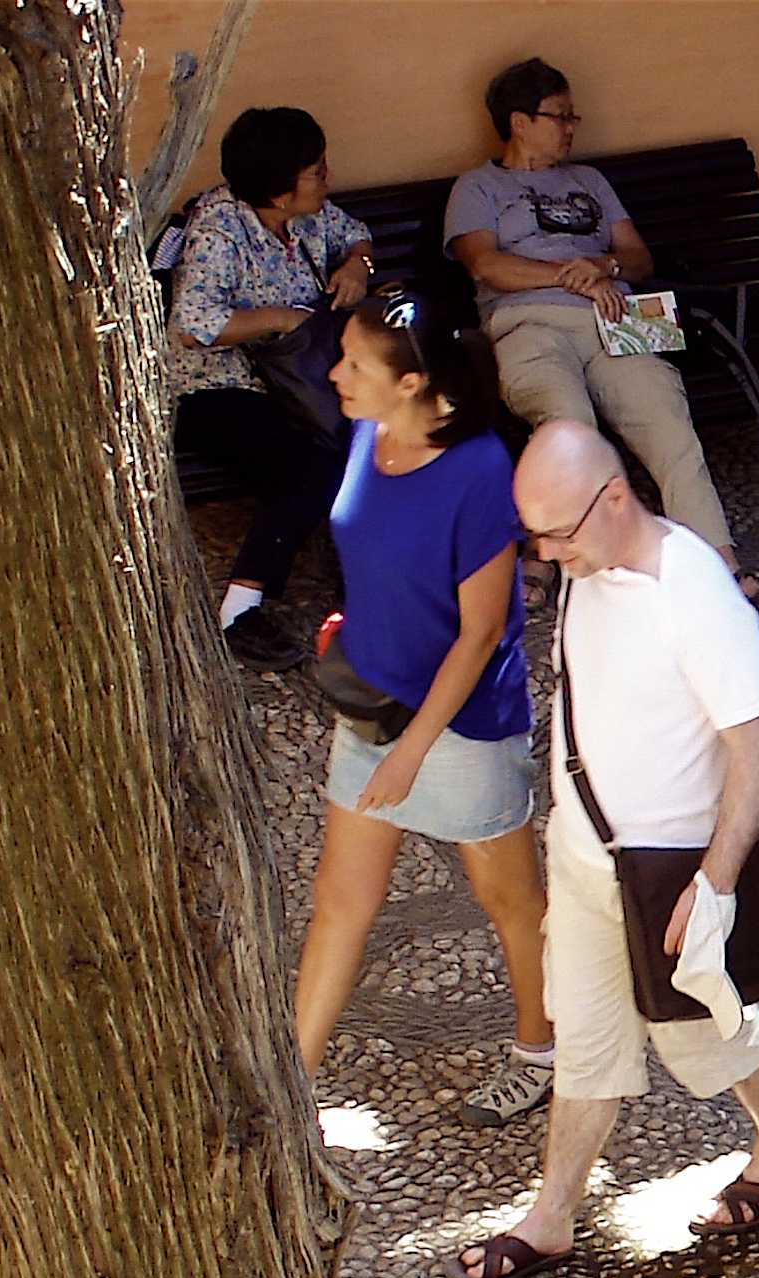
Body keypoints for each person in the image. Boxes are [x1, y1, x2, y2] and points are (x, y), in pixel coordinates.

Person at [447, 421, 759, 1278]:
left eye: (558, 533)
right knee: (584, 1036)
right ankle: (551, 1218)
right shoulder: (589, 567)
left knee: (707, 1035)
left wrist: (714, 886)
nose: (547, 556)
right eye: (534, 536)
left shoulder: (693, 591)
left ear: (614, 497)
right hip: (587, 858)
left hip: (668, 874)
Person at [293, 287, 557, 1127]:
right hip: (372, 707)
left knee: (510, 901)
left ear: (411, 383)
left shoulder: (477, 471)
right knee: (340, 900)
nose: (336, 374)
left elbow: (480, 634)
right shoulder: (368, 430)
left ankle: (540, 1052)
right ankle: (290, 1090)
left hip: (462, 727)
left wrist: (411, 754)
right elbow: (374, 552)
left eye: (354, 363)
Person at [446, 58, 759, 602]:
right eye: (560, 116)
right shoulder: (478, 187)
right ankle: (549, 549)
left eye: (572, 116)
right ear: (519, 121)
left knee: (667, 420)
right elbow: (484, 264)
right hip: (529, 324)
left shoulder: (589, 181)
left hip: (617, 322)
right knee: (568, 421)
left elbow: (637, 256)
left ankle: (719, 564)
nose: (571, 127)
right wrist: (573, 279)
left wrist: (605, 267)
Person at [168, 106, 375, 670]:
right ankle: (238, 612)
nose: (328, 177)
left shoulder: (309, 217)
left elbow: (355, 235)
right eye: (316, 170)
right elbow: (192, 325)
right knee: (307, 469)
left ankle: (370, 577)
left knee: (370, 436)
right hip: (218, 386)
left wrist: (356, 266)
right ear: (280, 191)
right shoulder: (219, 229)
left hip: (298, 381)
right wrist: (282, 319)